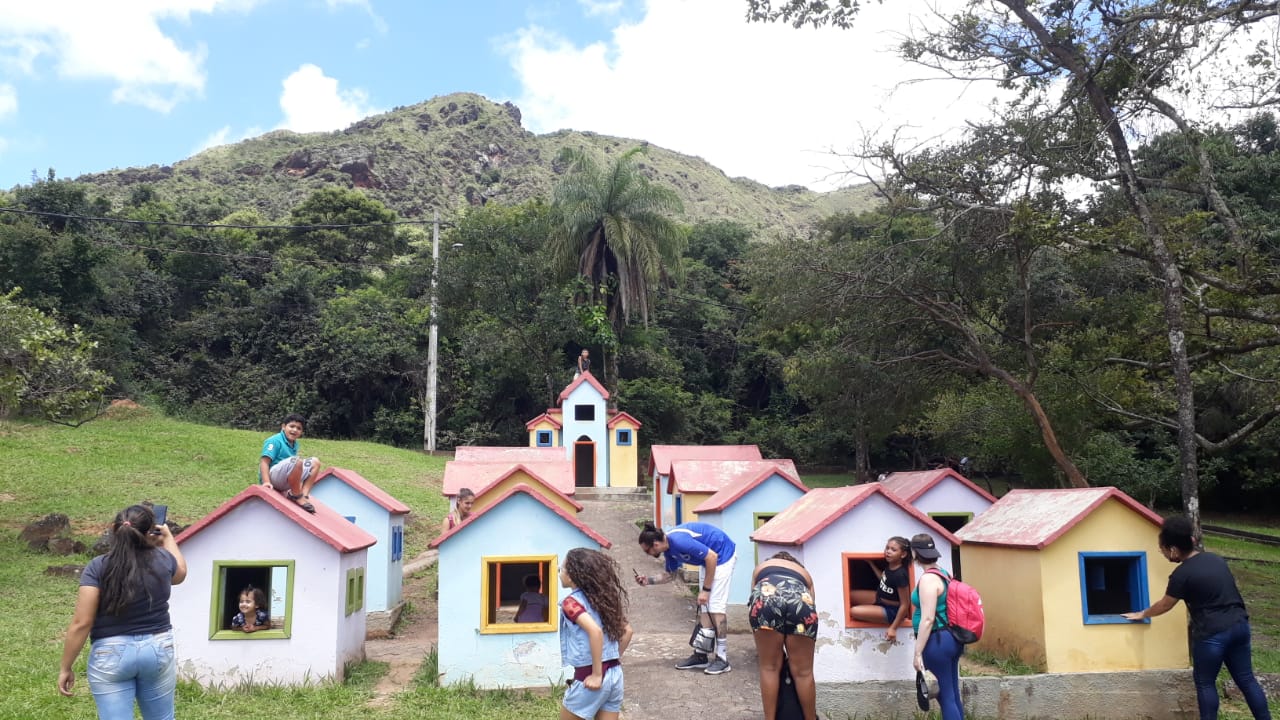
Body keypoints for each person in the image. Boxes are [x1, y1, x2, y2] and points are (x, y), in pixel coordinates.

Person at [1122, 516, 1271, 720]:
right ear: (1192, 540)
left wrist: (1142, 613)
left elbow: (1165, 604)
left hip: (1212, 634)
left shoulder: (1181, 575)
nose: (1163, 553)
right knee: (1246, 679)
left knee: (1205, 683)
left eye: (1163, 549)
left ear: (1173, 549)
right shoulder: (1216, 560)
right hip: (1239, 626)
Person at [58, 505, 188, 720]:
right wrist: (167, 538)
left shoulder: (98, 567)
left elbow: (82, 623)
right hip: (157, 648)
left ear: (113, 529)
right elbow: (180, 573)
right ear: (150, 532)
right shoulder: (163, 560)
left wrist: (66, 667)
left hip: (110, 653)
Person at [635, 521, 737, 675]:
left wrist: (706, 590)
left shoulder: (679, 541)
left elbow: (712, 556)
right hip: (708, 561)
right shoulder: (669, 549)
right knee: (705, 608)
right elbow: (671, 575)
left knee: (716, 607)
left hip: (722, 555)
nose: (647, 554)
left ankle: (722, 658)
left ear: (655, 544)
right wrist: (647, 581)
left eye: (646, 551)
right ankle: (701, 654)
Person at [560, 547, 634, 720]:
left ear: (572, 576)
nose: (559, 572)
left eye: (562, 569)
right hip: (615, 674)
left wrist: (597, 673)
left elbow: (595, 631)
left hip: (589, 676)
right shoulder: (603, 599)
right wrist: (611, 660)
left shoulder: (570, 603)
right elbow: (628, 631)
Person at [748, 551, 818, 720]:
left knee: (769, 667)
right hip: (800, 601)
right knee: (804, 672)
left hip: (766, 599)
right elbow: (811, 602)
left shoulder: (761, 569)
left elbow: (754, 600)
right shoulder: (804, 574)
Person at [910, 533, 964, 720]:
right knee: (951, 693)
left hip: (936, 641)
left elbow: (927, 619)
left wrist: (917, 653)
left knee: (945, 696)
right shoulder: (943, 573)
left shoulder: (927, 580)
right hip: (951, 638)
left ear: (915, 553)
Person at [850, 536, 913, 641]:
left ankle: (883, 619)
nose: (888, 551)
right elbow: (883, 579)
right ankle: (873, 612)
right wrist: (871, 564)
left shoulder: (900, 575)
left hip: (891, 610)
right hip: (878, 598)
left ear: (903, 554)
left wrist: (893, 628)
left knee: (853, 611)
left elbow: (905, 604)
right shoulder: (891, 565)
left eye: (893, 550)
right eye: (887, 548)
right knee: (850, 595)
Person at [258, 413, 322, 514]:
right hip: (273, 478)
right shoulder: (274, 440)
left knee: (315, 462)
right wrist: (266, 482)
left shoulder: (295, 444)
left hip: (285, 478)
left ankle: (304, 495)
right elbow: (264, 462)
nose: (294, 430)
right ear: (283, 427)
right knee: (296, 461)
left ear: (301, 432)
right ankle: (296, 496)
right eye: (291, 426)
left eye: (299, 428)